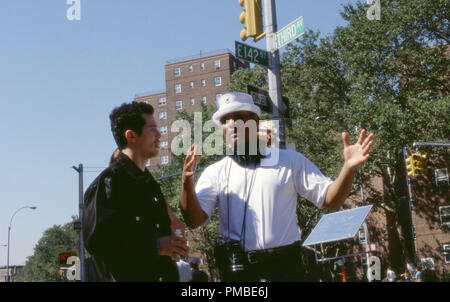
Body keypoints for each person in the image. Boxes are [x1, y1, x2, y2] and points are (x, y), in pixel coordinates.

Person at [180, 92, 374, 282]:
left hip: (286, 268)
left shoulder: (290, 160)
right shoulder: (215, 172)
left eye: (238, 117)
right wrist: (186, 182)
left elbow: (332, 200)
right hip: (239, 272)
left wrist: (348, 168)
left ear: (255, 122)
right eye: (225, 121)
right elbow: (194, 220)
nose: (232, 125)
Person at [82, 102, 189, 282]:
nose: (159, 134)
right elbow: (99, 245)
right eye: (152, 129)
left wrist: (173, 244)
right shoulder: (109, 183)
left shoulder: (150, 184)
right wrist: (156, 246)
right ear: (131, 135)